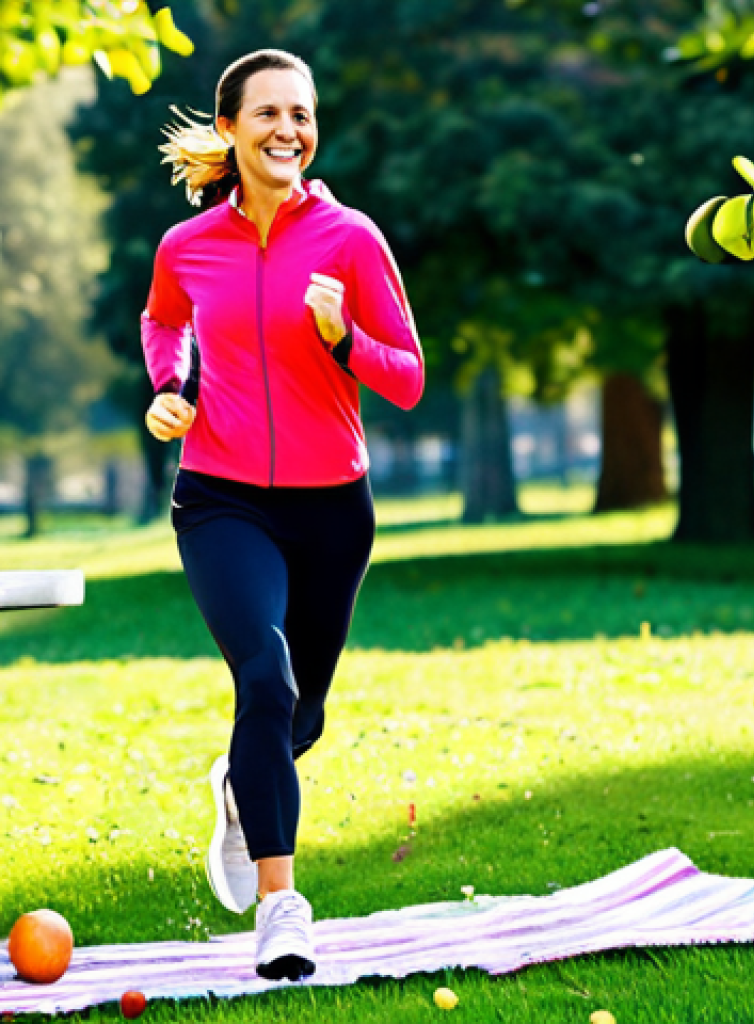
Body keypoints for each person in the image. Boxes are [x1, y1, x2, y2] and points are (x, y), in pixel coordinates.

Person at [140, 49, 424, 981]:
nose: (287, 130)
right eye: (267, 113)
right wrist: (170, 387)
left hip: (333, 510)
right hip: (220, 498)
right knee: (265, 676)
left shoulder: (351, 238)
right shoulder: (187, 246)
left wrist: (342, 339)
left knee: (296, 717)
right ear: (229, 128)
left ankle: (241, 783)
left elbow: (408, 378)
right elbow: (165, 320)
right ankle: (281, 909)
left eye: (301, 114)